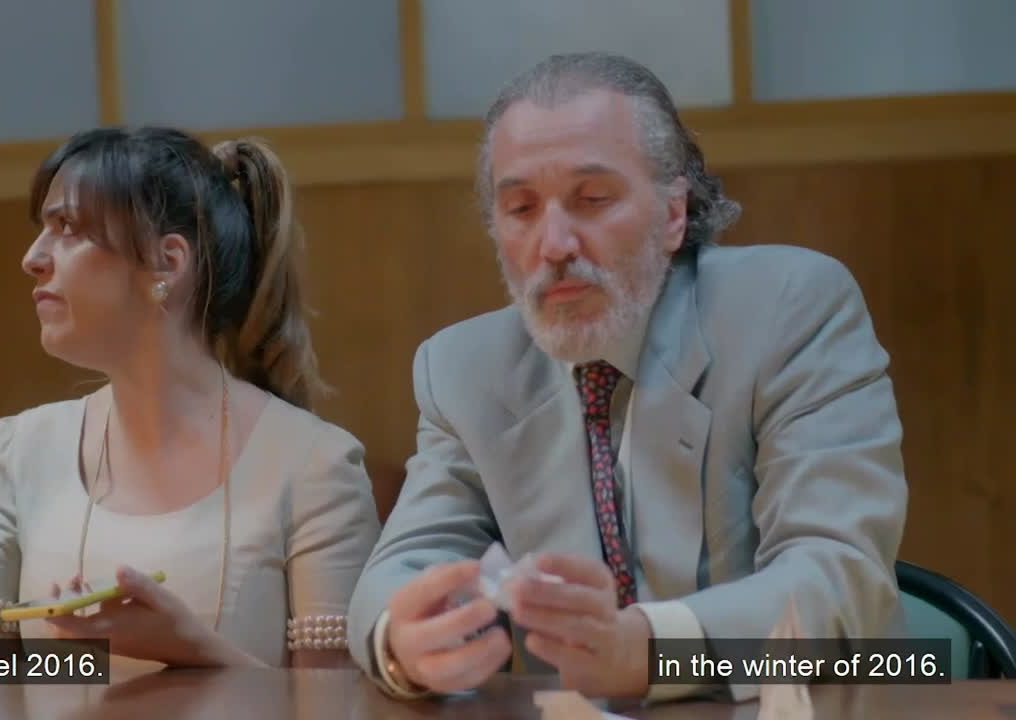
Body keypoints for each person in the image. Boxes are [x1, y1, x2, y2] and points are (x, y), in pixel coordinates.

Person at [347, 52, 907, 703]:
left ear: (673, 213)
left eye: (592, 200)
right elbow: (399, 570)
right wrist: (402, 642)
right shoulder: (464, 368)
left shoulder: (788, 308)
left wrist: (650, 650)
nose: (554, 245)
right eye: (521, 208)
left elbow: (839, 580)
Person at [0, 126, 381, 671]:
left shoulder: (315, 466)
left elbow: (337, 706)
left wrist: (192, 647)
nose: (32, 259)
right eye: (42, 231)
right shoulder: (21, 448)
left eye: (67, 229)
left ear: (167, 262)